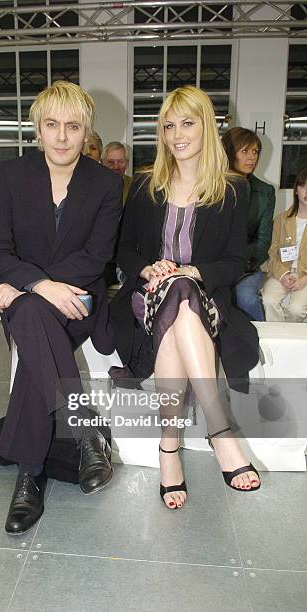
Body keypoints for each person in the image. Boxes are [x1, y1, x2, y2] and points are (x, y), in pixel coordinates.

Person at [110, 85, 261, 510]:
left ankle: (169, 446)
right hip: (148, 298)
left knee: (184, 291)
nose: (177, 134)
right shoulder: (144, 185)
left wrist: (195, 272)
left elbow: (235, 261)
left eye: (187, 123)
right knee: (175, 289)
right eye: (169, 125)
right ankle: (220, 431)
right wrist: (146, 268)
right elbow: (122, 250)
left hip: (205, 299)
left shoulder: (233, 189)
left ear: (206, 127)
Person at [0, 81, 123, 534]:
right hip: (31, 300)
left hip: (81, 299)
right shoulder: (10, 175)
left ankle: (30, 476)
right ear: (37, 130)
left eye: (73, 126)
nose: (62, 136)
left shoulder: (105, 183)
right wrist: (37, 285)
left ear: (86, 133)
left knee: (31, 319)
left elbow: (97, 256)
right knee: (31, 315)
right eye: (52, 125)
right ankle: (83, 427)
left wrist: (27, 283)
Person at [222, 127, 276, 321]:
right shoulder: (213, 187)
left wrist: (237, 261)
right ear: (229, 152)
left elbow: (263, 240)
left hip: (247, 267)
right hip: (215, 267)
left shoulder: (265, 191)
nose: (252, 157)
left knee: (245, 297)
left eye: (255, 152)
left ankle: (260, 347)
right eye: (244, 151)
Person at [261, 167, 307, 321]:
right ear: (296, 190)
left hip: (305, 275)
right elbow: (272, 252)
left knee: (296, 310)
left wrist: (303, 280)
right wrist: (283, 275)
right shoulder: (281, 219)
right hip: (283, 271)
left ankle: (290, 342)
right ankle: (276, 342)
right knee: (268, 300)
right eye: (303, 186)